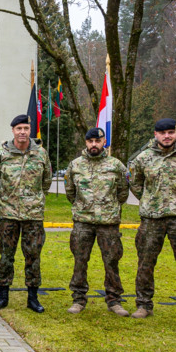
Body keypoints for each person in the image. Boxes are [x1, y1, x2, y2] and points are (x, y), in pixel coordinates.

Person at [128, 117, 176, 325]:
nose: (166, 136)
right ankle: (144, 304)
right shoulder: (143, 158)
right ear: (155, 134)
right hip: (151, 219)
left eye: (170, 132)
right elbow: (135, 184)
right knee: (145, 263)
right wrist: (148, 200)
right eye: (162, 133)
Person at [0, 114, 53, 313]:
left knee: (33, 255)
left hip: (33, 215)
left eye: (25, 128)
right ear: (13, 131)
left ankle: (32, 298)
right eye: (19, 129)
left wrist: (33, 200)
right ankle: (2, 295)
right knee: (6, 255)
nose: (22, 132)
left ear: (29, 130)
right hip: (7, 213)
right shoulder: (2, 153)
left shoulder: (41, 153)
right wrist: (8, 199)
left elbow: (46, 182)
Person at [64, 127, 130, 315]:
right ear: (86, 142)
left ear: (104, 142)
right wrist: (82, 206)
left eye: (98, 141)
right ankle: (78, 298)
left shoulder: (116, 165)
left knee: (111, 261)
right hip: (82, 221)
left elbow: (123, 192)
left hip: (108, 223)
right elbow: (70, 192)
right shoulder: (75, 165)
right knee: (80, 260)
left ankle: (114, 300)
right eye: (90, 141)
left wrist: (109, 208)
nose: (94, 144)